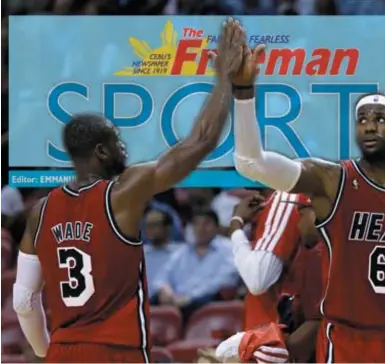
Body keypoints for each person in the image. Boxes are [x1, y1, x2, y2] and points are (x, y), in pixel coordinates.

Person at [12, 18, 245, 363]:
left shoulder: (40, 212)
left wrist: (49, 351)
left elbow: (23, 301)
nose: (124, 148)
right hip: (116, 352)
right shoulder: (122, 192)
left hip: (63, 352)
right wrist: (225, 77)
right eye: (117, 142)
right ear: (102, 152)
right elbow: (202, 140)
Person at [228, 40, 385, 362]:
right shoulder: (333, 180)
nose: (369, 125)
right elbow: (250, 163)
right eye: (362, 119)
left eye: (380, 118)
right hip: (347, 339)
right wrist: (243, 91)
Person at [227, 192, 325, 362]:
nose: (299, 220)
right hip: (274, 337)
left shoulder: (285, 200)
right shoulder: (311, 252)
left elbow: (257, 280)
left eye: (302, 212)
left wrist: (236, 226)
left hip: (278, 342)